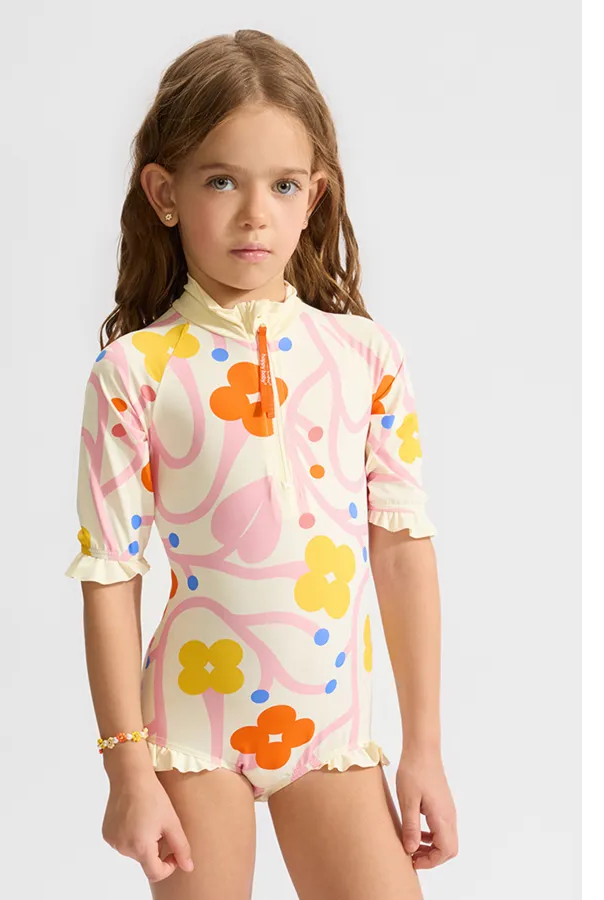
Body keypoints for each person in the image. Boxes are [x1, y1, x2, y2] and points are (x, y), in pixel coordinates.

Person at [64, 28, 458, 900]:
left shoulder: (366, 357)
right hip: (191, 736)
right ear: (164, 193)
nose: (255, 213)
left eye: (282, 185)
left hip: (333, 738)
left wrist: (423, 748)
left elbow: (401, 552)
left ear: (314, 196)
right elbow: (111, 577)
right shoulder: (136, 372)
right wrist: (128, 769)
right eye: (221, 181)